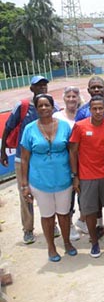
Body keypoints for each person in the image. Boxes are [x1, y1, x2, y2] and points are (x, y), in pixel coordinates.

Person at [20, 94, 76, 261]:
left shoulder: (65, 126)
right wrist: (24, 185)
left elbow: (72, 152)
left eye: (47, 105)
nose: (44, 108)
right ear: (36, 109)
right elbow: (24, 158)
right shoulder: (29, 129)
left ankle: (67, 243)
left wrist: (75, 176)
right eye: (40, 106)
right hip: (40, 181)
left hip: (64, 179)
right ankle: (51, 247)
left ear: (53, 107)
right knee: (47, 215)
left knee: (64, 214)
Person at [1, 76, 55, 244]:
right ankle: (28, 229)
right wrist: (3, 152)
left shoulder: (53, 106)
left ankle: (52, 226)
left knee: (48, 192)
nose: (42, 88)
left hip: (43, 160)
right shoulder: (23, 106)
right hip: (22, 158)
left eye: (44, 85)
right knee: (25, 194)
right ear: (32, 89)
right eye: (38, 86)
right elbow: (8, 128)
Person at [69, 96, 104, 258]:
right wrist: (75, 176)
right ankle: (94, 241)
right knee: (90, 212)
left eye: (101, 108)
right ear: (89, 109)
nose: (98, 111)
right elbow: (73, 152)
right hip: (86, 177)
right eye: (94, 108)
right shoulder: (80, 126)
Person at [53, 86, 83, 242]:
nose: (72, 99)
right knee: (68, 194)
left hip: (84, 161)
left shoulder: (84, 113)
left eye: (74, 96)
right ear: (64, 98)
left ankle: (83, 219)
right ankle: (69, 224)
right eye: (69, 96)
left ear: (79, 98)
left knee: (83, 193)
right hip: (65, 161)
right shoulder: (57, 116)